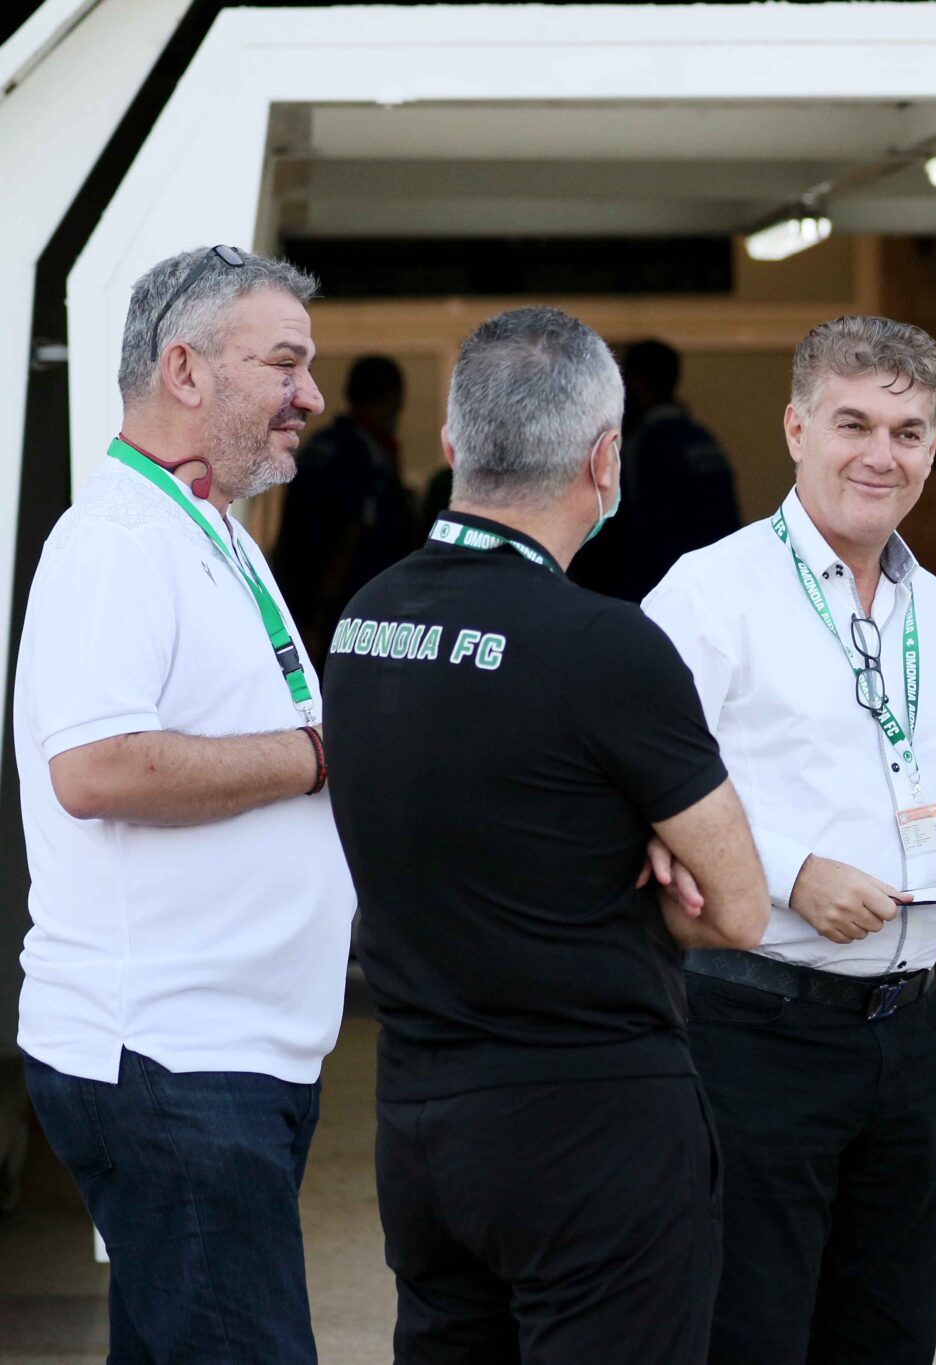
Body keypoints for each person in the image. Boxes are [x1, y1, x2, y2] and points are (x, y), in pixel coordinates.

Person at [322, 305, 768, 1365]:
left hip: (421, 1121)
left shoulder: (365, 621)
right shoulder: (606, 645)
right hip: (588, 1125)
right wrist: (634, 855)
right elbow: (741, 909)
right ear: (605, 461)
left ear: (452, 444)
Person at [643, 314, 936, 1363]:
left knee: (889, 1336)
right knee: (748, 1335)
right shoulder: (709, 593)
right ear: (796, 429)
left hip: (910, 1039)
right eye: (854, 424)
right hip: (752, 1033)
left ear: (933, 447)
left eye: (909, 432)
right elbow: (639, 788)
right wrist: (789, 874)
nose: (882, 455)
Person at [14, 244, 350, 1361]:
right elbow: (97, 767)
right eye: (285, 364)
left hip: (227, 1059)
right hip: (173, 1059)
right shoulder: (116, 541)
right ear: (186, 370)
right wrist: (313, 759)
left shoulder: (204, 527)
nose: (310, 395)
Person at [274, 353, 418, 669]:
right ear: (392, 397)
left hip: (297, 605)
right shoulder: (367, 454)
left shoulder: (316, 445)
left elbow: (287, 536)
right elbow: (349, 539)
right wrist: (318, 622)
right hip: (347, 615)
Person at [571, 338, 741, 601]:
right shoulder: (703, 440)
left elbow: (626, 531)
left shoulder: (643, 446)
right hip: (714, 587)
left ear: (638, 382)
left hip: (660, 594)